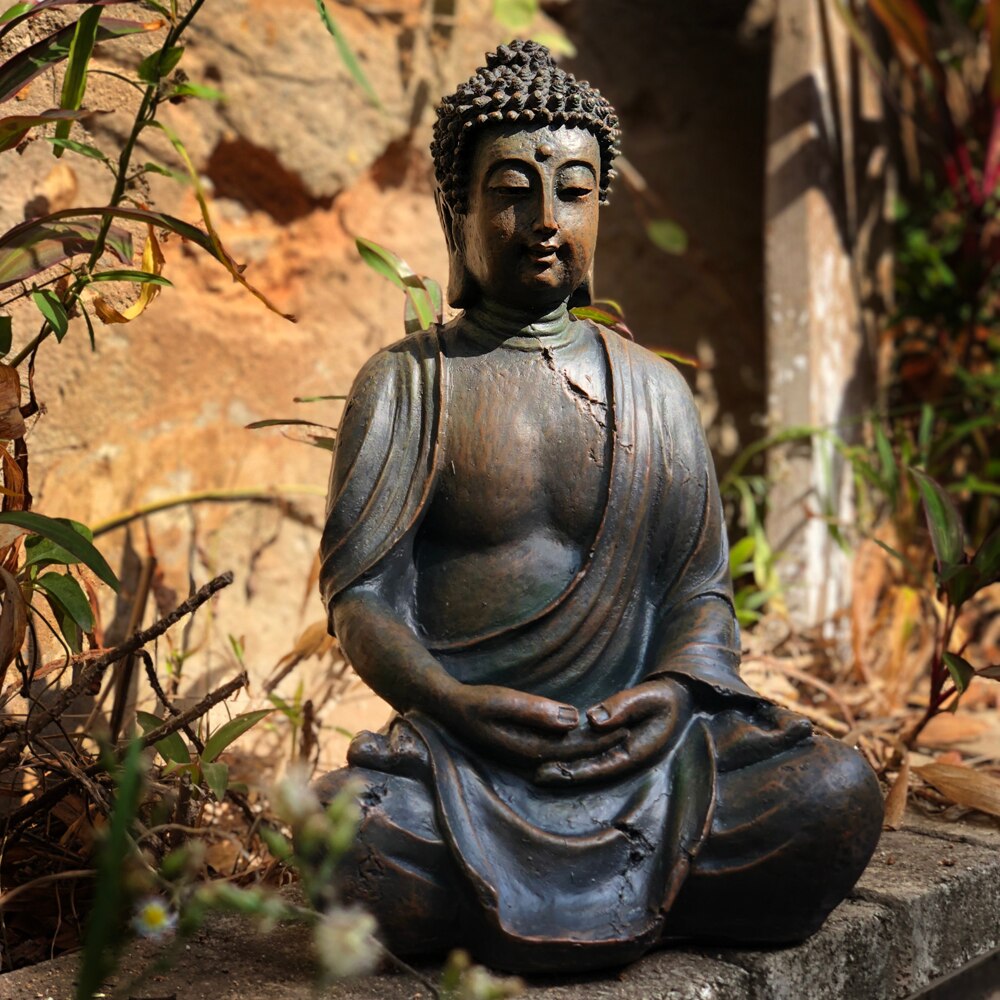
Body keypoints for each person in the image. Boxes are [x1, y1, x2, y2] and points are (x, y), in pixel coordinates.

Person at [316, 41, 883, 973]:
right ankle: (651, 894)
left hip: (643, 756)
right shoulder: (408, 387)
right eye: (509, 190)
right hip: (470, 760)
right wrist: (451, 702)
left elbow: (699, 592)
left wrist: (669, 696)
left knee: (835, 789)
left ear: (598, 211)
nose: (544, 219)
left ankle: (607, 884)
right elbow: (364, 600)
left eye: (572, 191)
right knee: (355, 837)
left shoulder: (656, 391)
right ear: (454, 211)